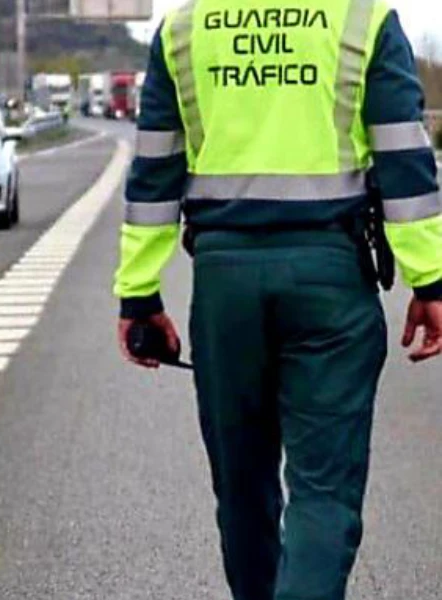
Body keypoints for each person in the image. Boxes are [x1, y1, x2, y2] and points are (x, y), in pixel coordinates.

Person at [113, 1, 442, 599]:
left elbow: (155, 170)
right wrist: (431, 279)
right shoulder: (362, 20)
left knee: (242, 488)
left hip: (224, 282)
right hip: (330, 277)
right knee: (323, 494)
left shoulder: (185, 30)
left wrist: (138, 293)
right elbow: (404, 160)